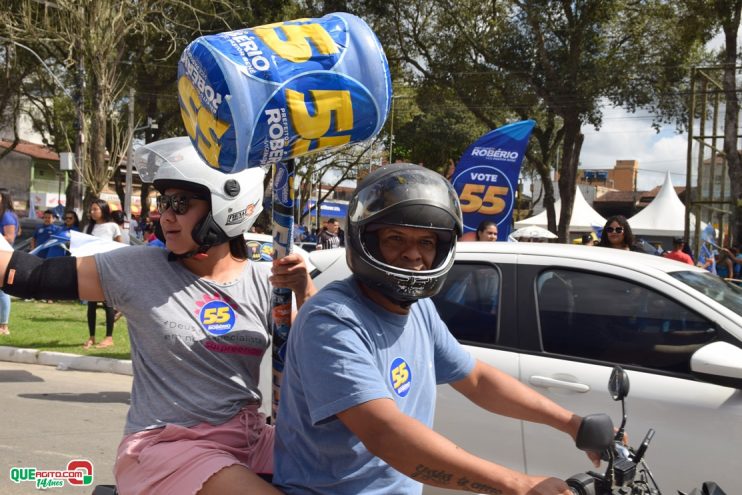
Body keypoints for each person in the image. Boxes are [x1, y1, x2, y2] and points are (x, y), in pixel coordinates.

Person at [0, 137, 315, 495]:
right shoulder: (136, 268)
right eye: (164, 202)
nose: (165, 216)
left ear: (229, 204)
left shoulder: (267, 281)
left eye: (180, 203)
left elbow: (325, 354)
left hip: (251, 438)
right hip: (169, 446)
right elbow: (29, 275)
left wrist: (304, 290)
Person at [274, 164, 599, 495]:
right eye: (395, 238)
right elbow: (385, 433)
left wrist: (573, 424)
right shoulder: (333, 320)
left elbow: (476, 379)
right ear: (366, 240)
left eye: (426, 241)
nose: (414, 254)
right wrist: (516, 484)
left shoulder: (418, 310)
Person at [83, 199, 123, 349]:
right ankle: (91, 336)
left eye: (95, 209)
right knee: (91, 304)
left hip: (107, 268)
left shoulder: (112, 226)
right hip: (91, 268)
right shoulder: (88, 227)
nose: (92, 212)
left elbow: (119, 246)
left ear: (103, 210)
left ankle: (109, 337)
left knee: (108, 304)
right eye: (91, 210)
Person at [0, 188, 18, 336]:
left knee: (2, 292)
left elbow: (10, 237)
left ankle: (4, 326)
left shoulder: (7, 216)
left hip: (4, 256)